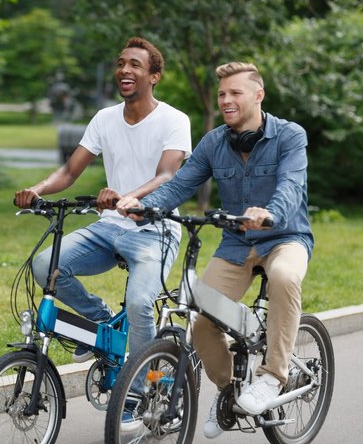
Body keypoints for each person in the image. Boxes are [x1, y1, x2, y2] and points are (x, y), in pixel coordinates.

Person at [121, 62, 314, 439]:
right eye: (222, 93)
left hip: (284, 237)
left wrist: (269, 212)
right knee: (203, 319)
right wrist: (144, 208)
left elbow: (291, 187)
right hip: (236, 244)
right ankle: (229, 392)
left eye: (235, 93)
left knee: (285, 276)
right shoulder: (214, 142)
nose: (226, 99)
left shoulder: (290, 136)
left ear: (258, 95)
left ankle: (273, 376)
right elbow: (179, 186)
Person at [14, 37, 192, 369]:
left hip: (156, 230)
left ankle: (138, 392)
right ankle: (102, 321)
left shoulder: (174, 120)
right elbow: (69, 171)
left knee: (140, 305)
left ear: (154, 76)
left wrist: (130, 197)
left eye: (135, 65)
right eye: (120, 63)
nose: (124, 69)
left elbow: (168, 175)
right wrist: (36, 190)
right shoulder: (104, 119)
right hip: (110, 226)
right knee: (44, 266)